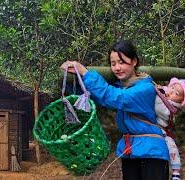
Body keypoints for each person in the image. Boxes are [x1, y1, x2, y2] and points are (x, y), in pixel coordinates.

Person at [61, 40, 169, 180]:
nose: (117, 68)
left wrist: (86, 73)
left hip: (152, 152)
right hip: (130, 151)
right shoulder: (121, 88)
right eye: (113, 64)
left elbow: (115, 98)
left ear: (134, 61)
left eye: (122, 62)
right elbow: (101, 98)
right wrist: (75, 80)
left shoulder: (145, 89)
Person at [155, 78, 185, 180]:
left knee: (172, 147)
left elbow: (157, 104)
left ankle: (176, 172)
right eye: (172, 87)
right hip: (150, 130)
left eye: (176, 94)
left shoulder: (170, 108)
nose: (171, 91)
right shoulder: (164, 93)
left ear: (182, 101)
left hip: (161, 132)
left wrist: (156, 90)